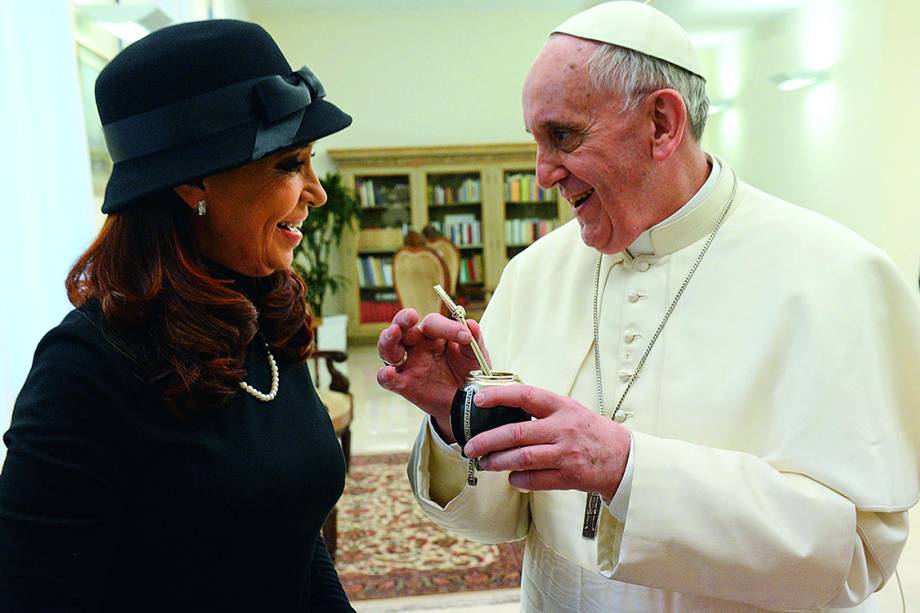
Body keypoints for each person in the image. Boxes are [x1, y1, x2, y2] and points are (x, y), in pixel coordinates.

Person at [376, 2, 920, 611]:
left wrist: (626, 469)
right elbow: (501, 519)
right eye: (535, 142)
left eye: (562, 136)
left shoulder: (836, 277)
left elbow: (851, 556)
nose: (542, 176)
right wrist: (459, 422)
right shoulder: (535, 273)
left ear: (662, 123)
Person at [0, 20, 356, 612]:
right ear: (194, 182)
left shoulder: (263, 310)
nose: (316, 192)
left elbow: (289, 535)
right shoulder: (85, 370)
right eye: (290, 164)